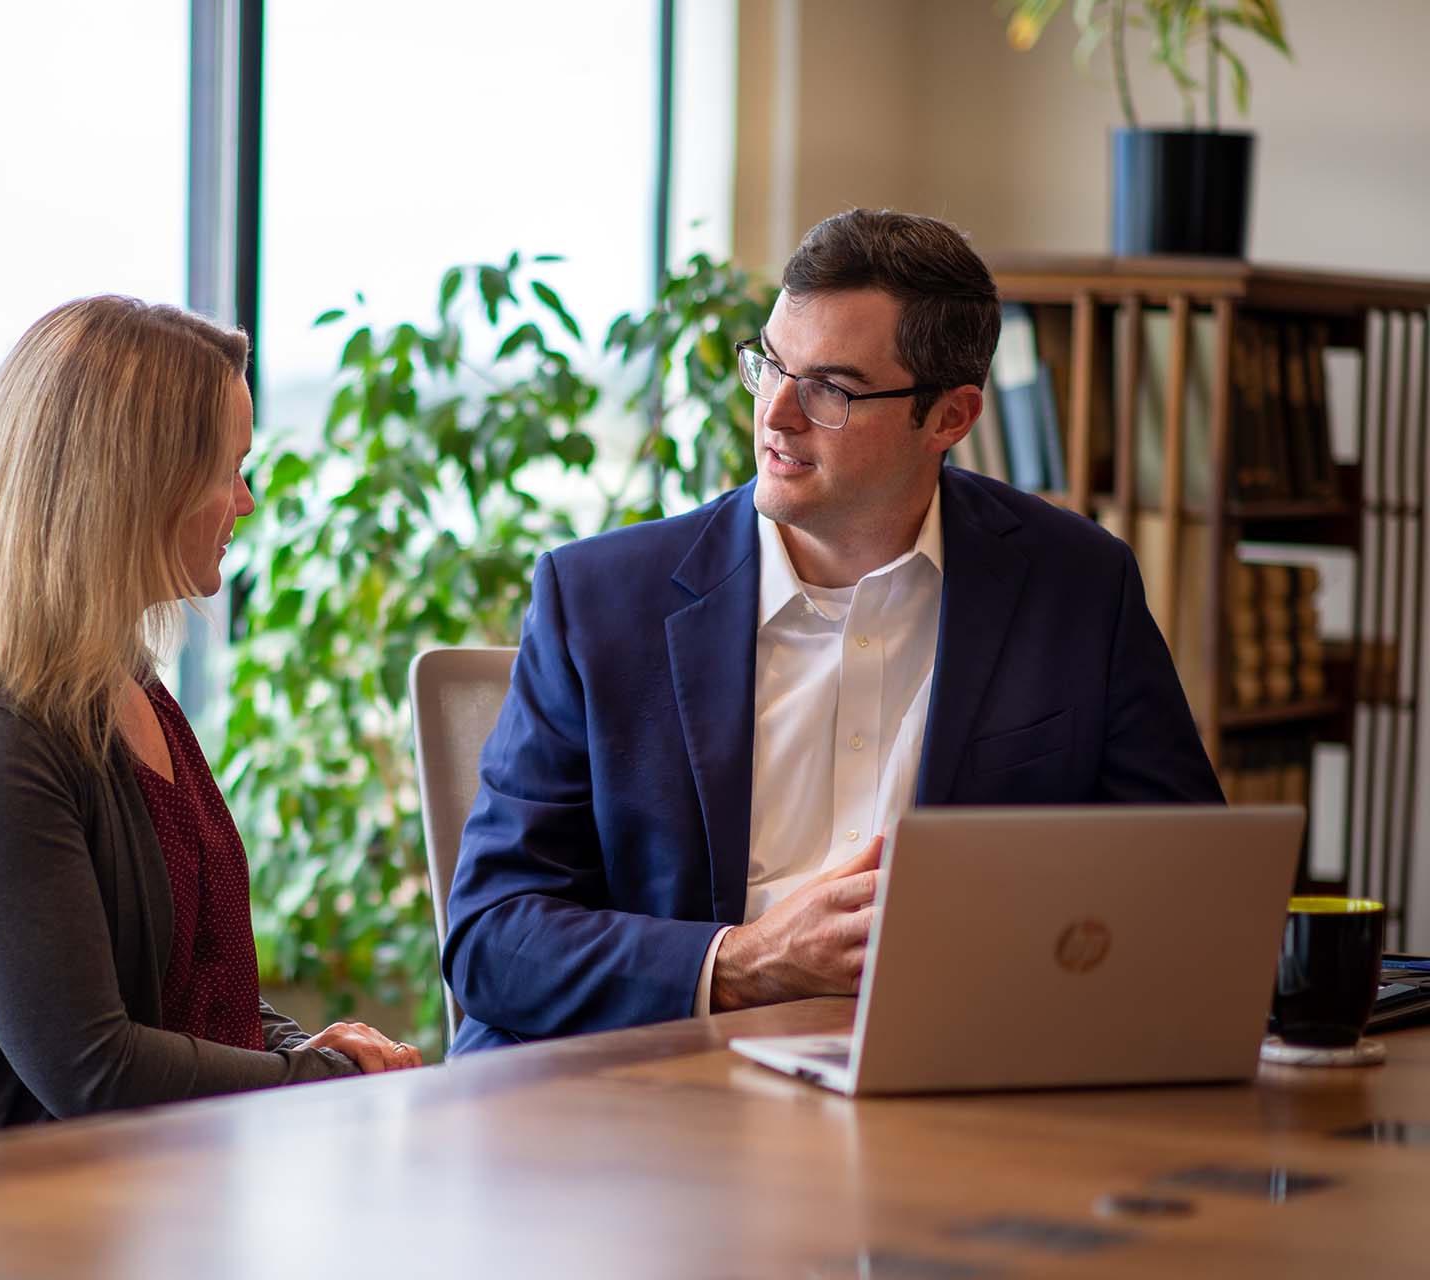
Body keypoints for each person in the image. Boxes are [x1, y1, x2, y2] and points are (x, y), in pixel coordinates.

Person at [442, 209, 1223, 1054]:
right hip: (662, 1094)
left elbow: (1191, 894)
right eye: (770, 366)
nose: (776, 415)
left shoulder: (1075, 586)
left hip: (956, 1083)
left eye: (830, 390)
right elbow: (492, 938)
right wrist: (745, 960)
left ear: (950, 418)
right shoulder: (598, 600)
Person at [0, 296, 419, 1147]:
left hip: (156, 1186)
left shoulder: (128, 687)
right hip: (2, 1224)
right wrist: (313, 1078)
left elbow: (188, 983)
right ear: (132, 487)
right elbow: (95, 1070)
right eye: (227, 469)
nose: (246, 500)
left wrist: (296, 1047)